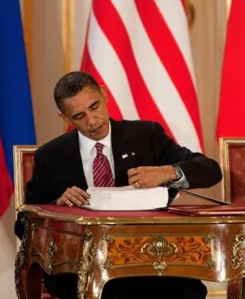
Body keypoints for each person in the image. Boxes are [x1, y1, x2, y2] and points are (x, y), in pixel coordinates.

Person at [14, 71, 223, 299]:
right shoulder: (51, 156)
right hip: (82, 268)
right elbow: (23, 226)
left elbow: (211, 170)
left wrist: (168, 172)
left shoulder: (146, 135)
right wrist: (57, 207)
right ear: (65, 118)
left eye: (94, 106)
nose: (92, 121)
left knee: (187, 290)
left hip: (150, 260)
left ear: (104, 95)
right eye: (79, 116)